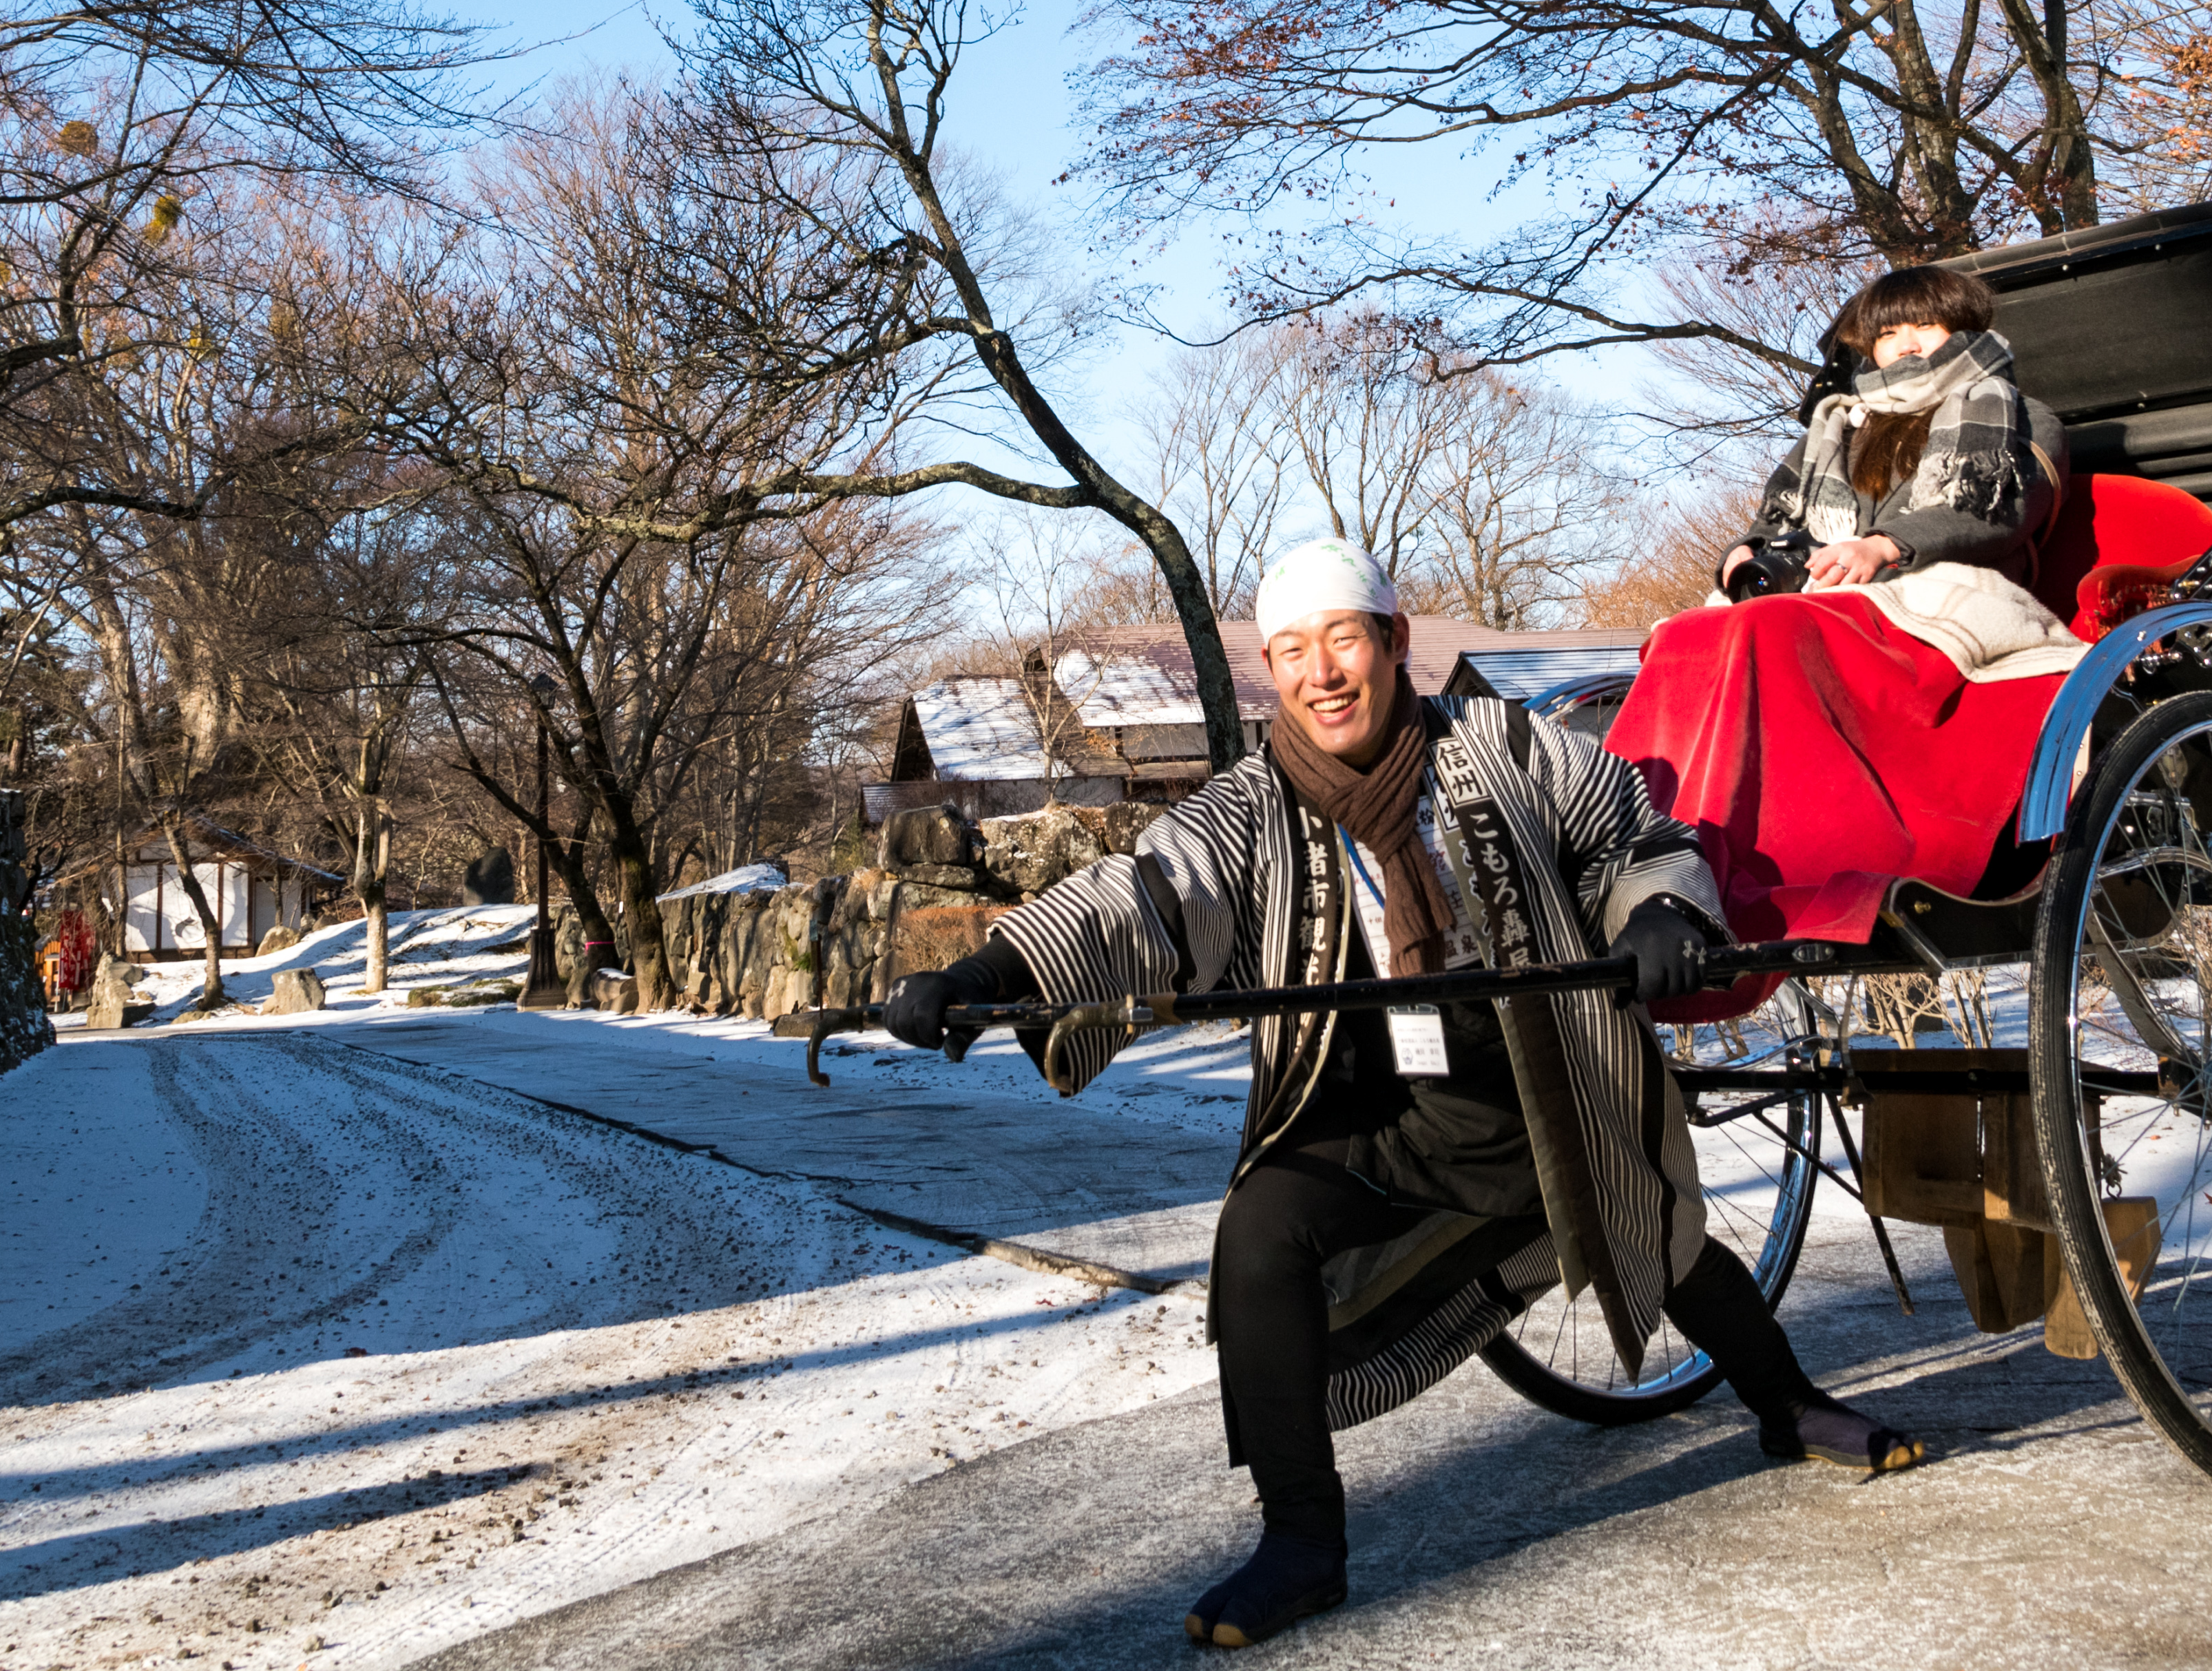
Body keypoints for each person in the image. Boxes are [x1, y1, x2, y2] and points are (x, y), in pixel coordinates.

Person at [880, 536, 1916, 1652]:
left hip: (1537, 1088)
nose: (1320, 670)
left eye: (1341, 638)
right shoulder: (1253, 803)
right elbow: (1146, 892)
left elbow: (1631, 832)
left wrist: (1659, 911)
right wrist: (993, 972)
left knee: (1651, 1229)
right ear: (1274, 672)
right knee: (1260, 1230)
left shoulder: (1504, 748)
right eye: (1291, 651)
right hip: (1375, 1111)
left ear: (1393, 643)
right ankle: (1301, 1539)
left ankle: (1785, 1401)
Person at [1725, 262, 2063, 603]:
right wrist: (1748, 551)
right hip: (1829, 597)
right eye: (1888, 333)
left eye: (1925, 324)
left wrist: (1883, 546)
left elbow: (2002, 512)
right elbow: (1777, 520)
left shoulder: (2019, 416)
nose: (1907, 346)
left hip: (1953, 595)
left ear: (1964, 328)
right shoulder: (1839, 427)